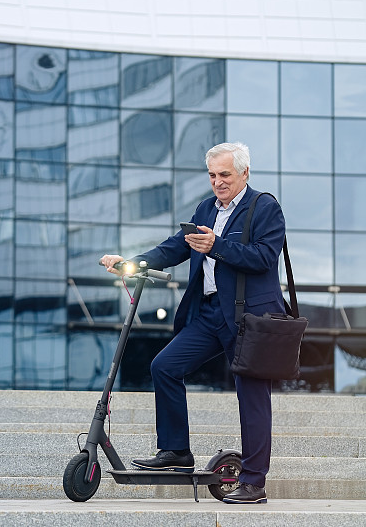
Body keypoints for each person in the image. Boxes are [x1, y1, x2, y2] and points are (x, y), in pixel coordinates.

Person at [99, 141, 286, 505]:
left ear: (244, 173)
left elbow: (265, 257)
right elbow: (175, 247)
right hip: (210, 313)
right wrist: (131, 262)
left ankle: (253, 482)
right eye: (213, 176)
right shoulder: (205, 208)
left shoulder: (264, 207)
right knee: (165, 366)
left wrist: (216, 246)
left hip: (249, 319)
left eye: (225, 175)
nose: (218, 183)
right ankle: (177, 452)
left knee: (252, 397)